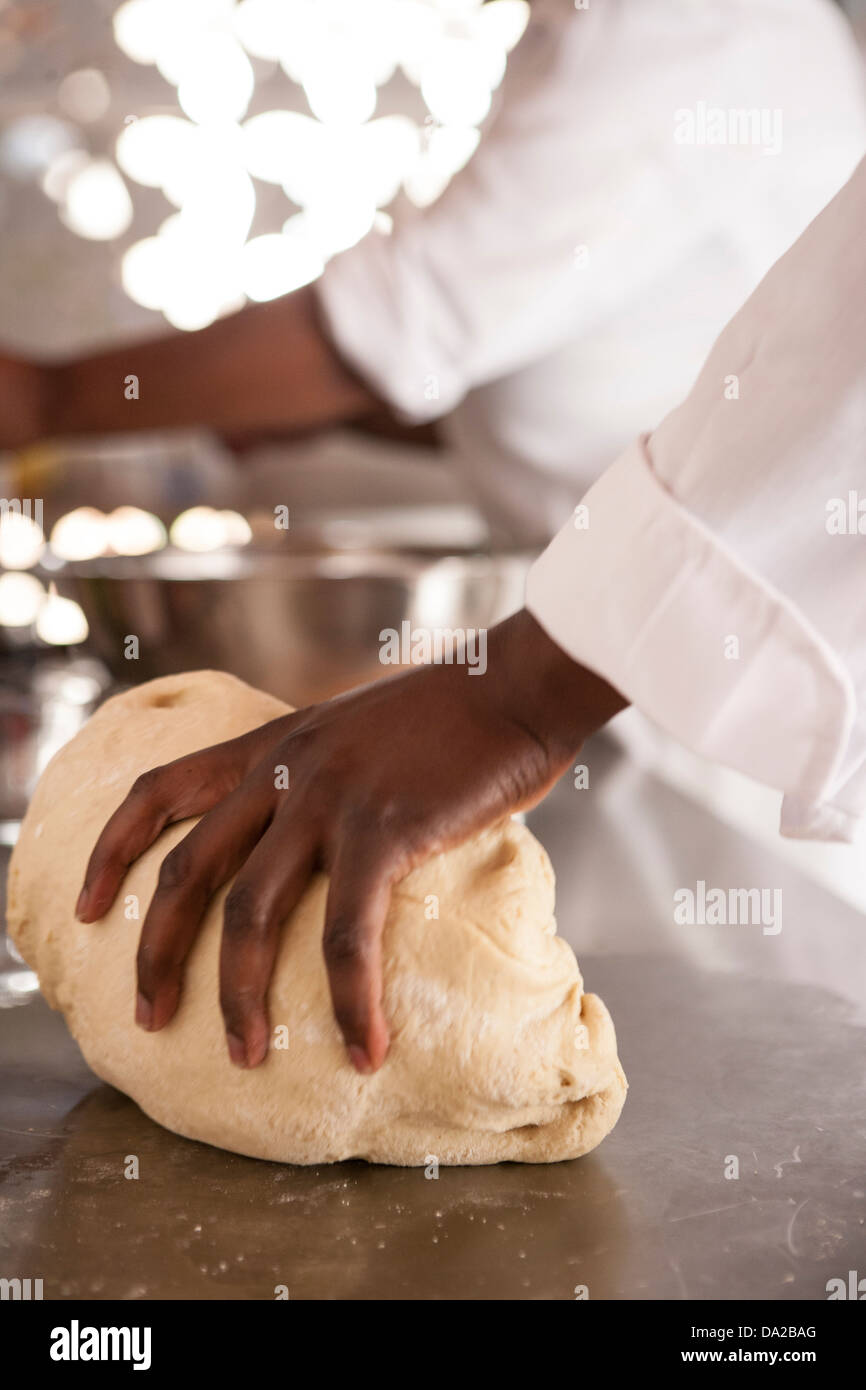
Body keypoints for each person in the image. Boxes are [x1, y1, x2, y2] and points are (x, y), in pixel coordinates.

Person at [3, 1, 866, 1072]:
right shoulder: (572, 36)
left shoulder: (703, 27)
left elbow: (388, 327)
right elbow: (510, 359)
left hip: (734, 732)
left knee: (765, 1085)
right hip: (614, 678)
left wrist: (515, 693)